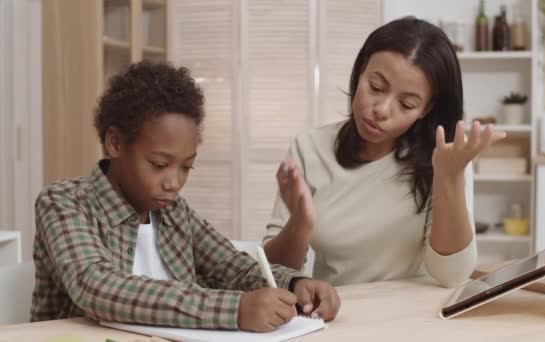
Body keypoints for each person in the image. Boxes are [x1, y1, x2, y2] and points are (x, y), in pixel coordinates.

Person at [31, 61, 340, 332]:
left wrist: (295, 284)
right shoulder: (63, 203)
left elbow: (235, 268)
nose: (174, 183)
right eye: (160, 165)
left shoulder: (175, 212)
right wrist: (235, 309)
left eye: (186, 167)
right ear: (114, 143)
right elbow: (98, 288)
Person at [262, 17, 506, 287]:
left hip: (418, 320)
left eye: (406, 104)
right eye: (376, 87)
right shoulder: (310, 148)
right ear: (361, 69)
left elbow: (452, 276)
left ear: (425, 109)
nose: (382, 109)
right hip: (336, 316)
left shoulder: (447, 158)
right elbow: (273, 273)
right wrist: (300, 223)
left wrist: (448, 178)